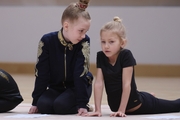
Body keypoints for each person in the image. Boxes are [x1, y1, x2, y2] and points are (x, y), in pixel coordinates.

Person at [86, 16, 180, 117]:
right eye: (103, 42)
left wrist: (121, 110)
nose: (106, 46)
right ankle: (147, 95)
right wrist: (97, 110)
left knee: (175, 105)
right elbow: (99, 83)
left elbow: (126, 84)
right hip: (117, 104)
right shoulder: (101, 56)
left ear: (122, 43)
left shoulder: (126, 55)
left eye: (111, 42)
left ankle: (149, 97)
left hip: (138, 104)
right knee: (140, 94)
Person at [28, 0, 93, 116]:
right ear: (66, 26)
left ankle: (81, 102)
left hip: (76, 87)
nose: (83, 35)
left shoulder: (84, 41)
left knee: (61, 106)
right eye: (81, 31)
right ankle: (60, 100)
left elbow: (80, 73)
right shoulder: (47, 41)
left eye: (86, 31)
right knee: (43, 105)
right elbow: (41, 72)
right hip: (56, 87)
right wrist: (35, 101)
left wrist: (82, 103)